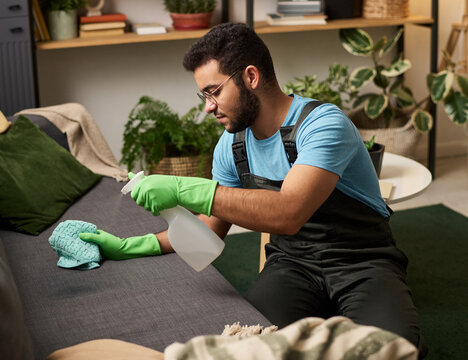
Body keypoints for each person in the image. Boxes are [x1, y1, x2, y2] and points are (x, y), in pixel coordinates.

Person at [80, 22, 426, 357]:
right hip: (292, 264)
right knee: (251, 347)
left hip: (362, 263)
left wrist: (184, 188)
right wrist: (129, 246)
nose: (208, 107)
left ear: (250, 77)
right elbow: (208, 231)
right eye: (203, 95)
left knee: (391, 351)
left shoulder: (323, 124)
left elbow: (289, 212)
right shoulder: (231, 147)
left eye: (213, 92)